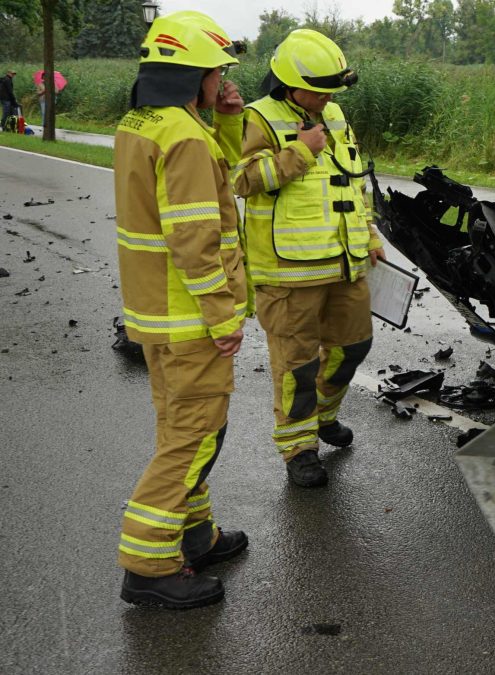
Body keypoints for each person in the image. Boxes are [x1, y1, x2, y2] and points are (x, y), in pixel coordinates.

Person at [114, 10, 249, 609]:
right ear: (194, 73)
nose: (223, 80)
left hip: (153, 313)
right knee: (195, 437)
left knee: (180, 427)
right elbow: (197, 236)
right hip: (191, 316)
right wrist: (224, 316)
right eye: (217, 72)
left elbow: (213, 178)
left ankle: (195, 535)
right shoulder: (185, 137)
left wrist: (224, 119)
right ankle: (147, 564)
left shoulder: (143, 121)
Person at [231, 29, 384, 488]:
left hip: (344, 260)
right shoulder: (258, 117)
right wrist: (300, 151)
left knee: (352, 347)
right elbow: (242, 180)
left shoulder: (334, 113)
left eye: (329, 90)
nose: (324, 98)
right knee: (297, 364)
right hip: (288, 269)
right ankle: (298, 447)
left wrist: (370, 230)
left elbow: (353, 179)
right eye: (316, 89)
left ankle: (321, 415)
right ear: (286, 81)